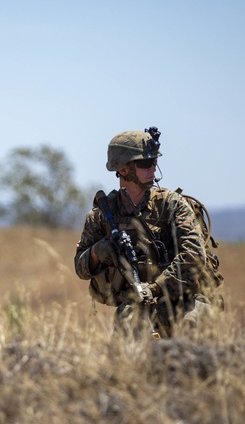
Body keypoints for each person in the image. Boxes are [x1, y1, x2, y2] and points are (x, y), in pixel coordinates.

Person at [74, 127, 222, 337]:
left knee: (190, 328)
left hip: (186, 299)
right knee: (127, 323)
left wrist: (154, 289)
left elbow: (193, 256)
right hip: (138, 304)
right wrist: (98, 251)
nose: (153, 168)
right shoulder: (101, 216)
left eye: (154, 161)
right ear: (123, 169)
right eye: (145, 163)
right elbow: (81, 269)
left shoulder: (172, 205)